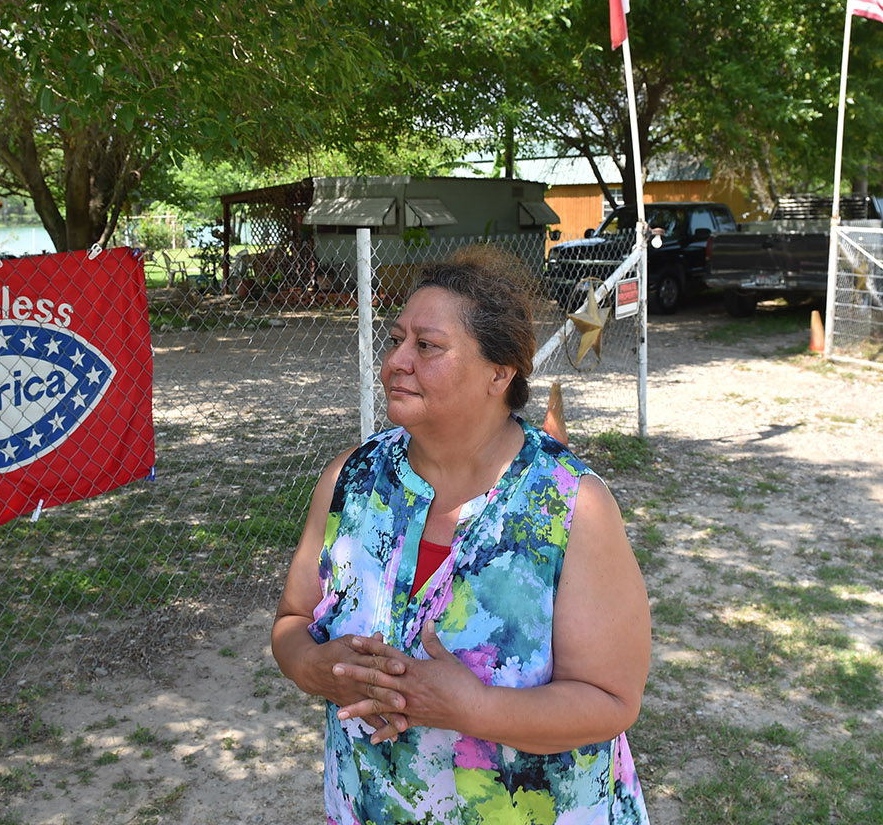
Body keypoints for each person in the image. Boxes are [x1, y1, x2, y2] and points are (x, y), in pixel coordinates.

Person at [271, 249, 652, 824]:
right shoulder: (350, 481)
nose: (396, 360)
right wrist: (310, 666)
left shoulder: (571, 506)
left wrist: (475, 707)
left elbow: (611, 701)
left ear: (501, 373)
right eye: (397, 339)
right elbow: (292, 621)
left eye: (427, 346)